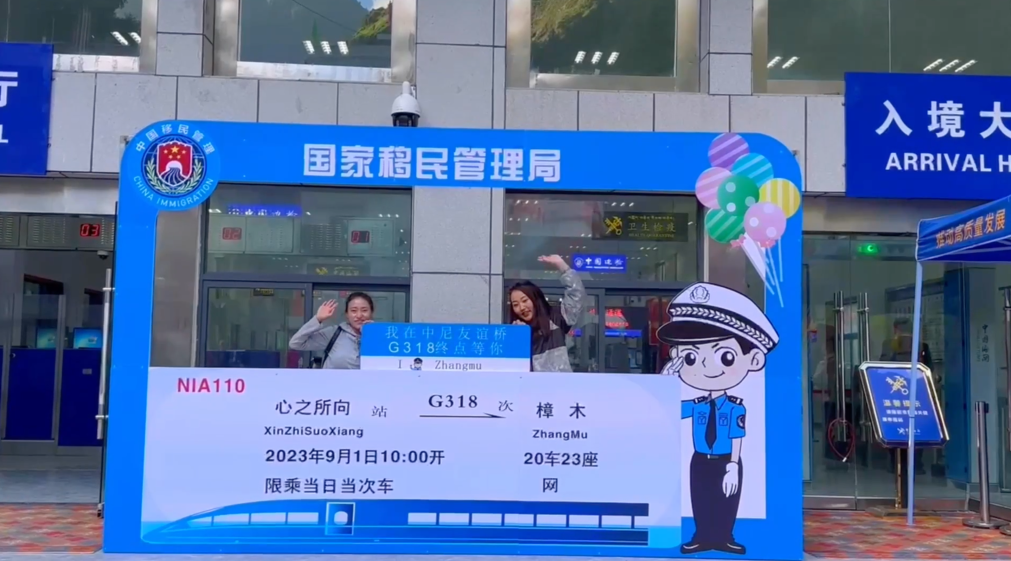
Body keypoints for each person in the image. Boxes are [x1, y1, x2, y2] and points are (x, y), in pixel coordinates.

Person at [657, 283, 779, 556]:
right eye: (690, 356)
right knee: (700, 497)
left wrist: (733, 465)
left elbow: (737, 436)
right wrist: (666, 380)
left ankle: (724, 537)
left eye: (725, 356)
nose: (705, 366)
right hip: (700, 459)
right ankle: (702, 536)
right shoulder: (697, 405)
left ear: (754, 359)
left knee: (727, 499)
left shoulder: (735, 407)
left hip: (726, 459)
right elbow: (669, 409)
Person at [507, 254, 585, 372]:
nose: (521, 307)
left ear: (535, 299)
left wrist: (562, 266)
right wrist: (520, 336)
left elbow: (577, 295)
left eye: (524, 300)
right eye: (515, 304)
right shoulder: (515, 330)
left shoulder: (556, 317)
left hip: (562, 383)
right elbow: (512, 368)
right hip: (530, 384)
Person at [289, 292, 374, 369]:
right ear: (347, 314)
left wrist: (372, 334)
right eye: (353, 311)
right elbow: (296, 343)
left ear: (371, 312)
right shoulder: (334, 333)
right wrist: (318, 319)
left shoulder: (380, 336)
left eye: (364, 310)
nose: (359, 315)